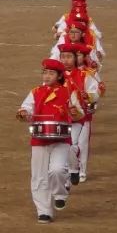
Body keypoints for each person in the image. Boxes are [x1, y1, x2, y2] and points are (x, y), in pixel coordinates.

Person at [16, 58, 84, 223]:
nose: (46, 76)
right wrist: (24, 112)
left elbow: (79, 114)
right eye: (45, 73)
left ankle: (60, 194)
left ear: (59, 75)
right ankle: (44, 211)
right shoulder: (36, 91)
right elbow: (26, 107)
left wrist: (74, 112)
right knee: (38, 176)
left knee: (58, 170)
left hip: (61, 139)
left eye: (51, 73)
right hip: (39, 139)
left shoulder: (68, 92)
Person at [58, 42, 101, 185]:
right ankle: (69, 172)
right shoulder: (55, 76)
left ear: (75, 59)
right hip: (60, 117)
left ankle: (78, 169)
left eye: (69, 57)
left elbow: (96, 93)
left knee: (76, 145)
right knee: (62, 147)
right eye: (62, 57)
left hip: (79, 118)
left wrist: (88, 97)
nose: (65, 60)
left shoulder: (85, 75)